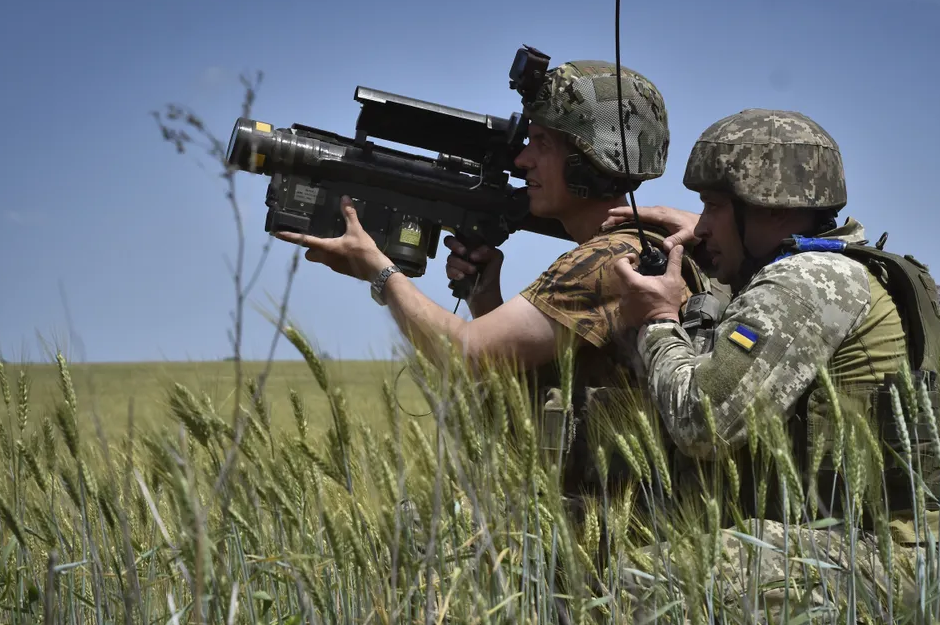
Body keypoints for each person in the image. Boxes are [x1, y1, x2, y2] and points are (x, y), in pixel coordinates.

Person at [272, 59, 710, 499]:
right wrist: (485, 298)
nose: (522, 160)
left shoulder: (607, 261)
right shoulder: (632, 250)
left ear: (586, 161)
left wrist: (378, 270)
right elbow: (526, 372)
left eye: (541, 144)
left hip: (611, 545)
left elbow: (467, 354)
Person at [609, 108, 940, 625]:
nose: (702, 225)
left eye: (714, 207)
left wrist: (658, 320)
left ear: (774, 212)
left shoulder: (805, 281)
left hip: (892, 563)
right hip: (892, 553)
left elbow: (700, 423)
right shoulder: (835, 263)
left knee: (649, 581)